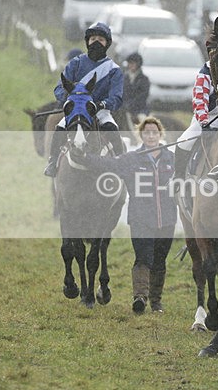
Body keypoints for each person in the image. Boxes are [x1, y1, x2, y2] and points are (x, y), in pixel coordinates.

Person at [71, 116, 176, 314]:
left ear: (160, 134)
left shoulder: (171, 158)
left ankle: (156, 302)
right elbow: (108, 164)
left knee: (160, 260)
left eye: (154, 132)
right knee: (143, 258)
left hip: (167, 218)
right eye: (147, 133)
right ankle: (140, 297)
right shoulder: (132, 159)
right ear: (141, 136)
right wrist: (84, 158)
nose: (151, 136)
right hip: (141, 218)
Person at [44, 22, 124, 177]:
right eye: (93, 39)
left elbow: (117, 97)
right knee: (59, 128)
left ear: (107, 43)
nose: (96, 42)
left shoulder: (114, 69)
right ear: (87, 42)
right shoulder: (75, 63)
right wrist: (71, 98)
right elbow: (59, 88)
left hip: (99, 110)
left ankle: (121, 165)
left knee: (113, 129)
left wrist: (101, 104)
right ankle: (53, 162)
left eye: (100, 39)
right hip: (76, 110)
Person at [173, 33, 218, 181]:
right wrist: (204, 122)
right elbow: (200, 100)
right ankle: (178, 177)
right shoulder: (205, 73)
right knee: (184, 142)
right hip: (207, 117)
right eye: (212, 51)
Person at [121, 52, 150, 125]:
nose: (131, 65)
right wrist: (124, 105)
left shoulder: (144, 79)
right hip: (123, 108)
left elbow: (142, 97)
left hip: (139, 109)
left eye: (133, 63)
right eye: (129, 63)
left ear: (138, 64)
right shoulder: (123, 78)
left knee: (142, 120)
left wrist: (130, 105)